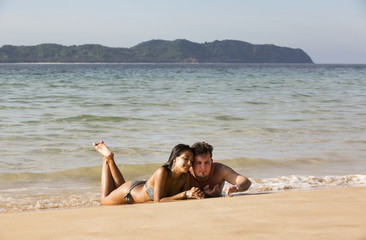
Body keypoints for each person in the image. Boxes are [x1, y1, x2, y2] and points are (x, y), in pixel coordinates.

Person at [93, 141, 204, 205]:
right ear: (175, 159)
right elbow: (158, 201)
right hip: (129, 193)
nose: (190, 163)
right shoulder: (163, 171)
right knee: (104, 200)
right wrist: (186, 194)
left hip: (140, 187)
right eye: (186, 158)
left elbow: (185, 198)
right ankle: (106, 158)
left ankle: (110, 160)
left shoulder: (186, 176)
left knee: (117, 187)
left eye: (192, 160)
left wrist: (199, 193)